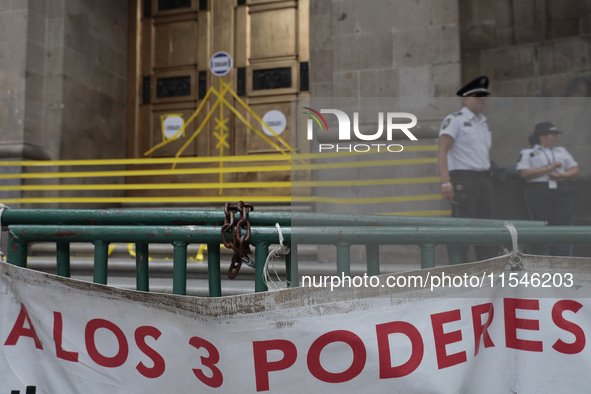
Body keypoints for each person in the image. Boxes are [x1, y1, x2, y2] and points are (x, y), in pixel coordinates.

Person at [438, 76, 498, 262]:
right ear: (464, 99)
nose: (482, 99)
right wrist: (446, 182)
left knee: (487, 228)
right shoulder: (455, 120)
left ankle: (488, 270)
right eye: (477, 95)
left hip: (483, 179)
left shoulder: (483, 123)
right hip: (463, 179)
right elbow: (443, 151)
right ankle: (459, 270)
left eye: (484, 96)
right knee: (462, 227)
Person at [516, 121, 579, 256]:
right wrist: (548, 168)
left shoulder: (561, 151)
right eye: (552, 134)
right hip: (539, 191)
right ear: (542, 136)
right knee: (541, 228)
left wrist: (561, 175)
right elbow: (524, 173)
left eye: (556, 134)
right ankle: (542, 264)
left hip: (560, 189)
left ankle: (563, 264)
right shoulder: (529, 152)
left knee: (563, 229)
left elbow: (575, 169)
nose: (556, 137)